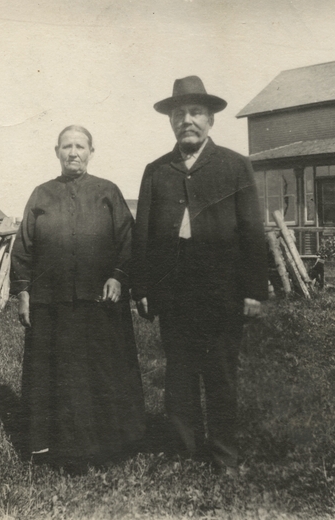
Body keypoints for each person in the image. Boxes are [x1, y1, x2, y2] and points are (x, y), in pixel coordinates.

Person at [132, 76, 268, 473]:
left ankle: (224, 454)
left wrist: (254, 291)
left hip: (222, 291)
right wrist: (141, 287)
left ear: (210, 120)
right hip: (173, 293)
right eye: (179, 114)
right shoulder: (157, 170)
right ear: (171, 122)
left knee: (221, 374)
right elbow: (143, 233)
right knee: (179, 374)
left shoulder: (234, 165)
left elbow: (252, 232)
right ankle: (183, 449)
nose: (186, 120)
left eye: (194, 113)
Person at [11, 125, 145, 473]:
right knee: (55, 375)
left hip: (100, 303)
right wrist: (23, 291)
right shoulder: (41, 194)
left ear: (91, 151)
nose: (74, 153)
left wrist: (119, 275)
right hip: (50, 305)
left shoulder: (107, 192)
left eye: (81, 146)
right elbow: (23, 247)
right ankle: (48, 447)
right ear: (56, 151)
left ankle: (109, 446)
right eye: (67, 146)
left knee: (100, 373)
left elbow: (129, 242)